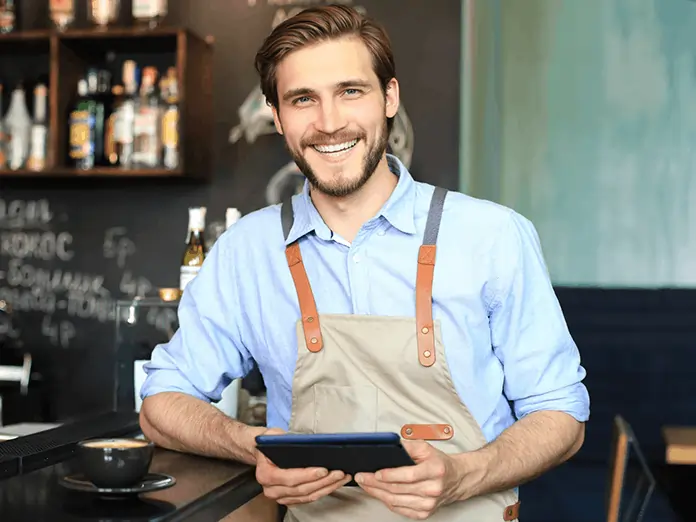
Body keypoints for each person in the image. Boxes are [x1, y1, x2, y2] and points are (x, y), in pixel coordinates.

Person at [139, 4, 590, 521]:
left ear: (389, 98)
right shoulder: (246, 252)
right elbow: (161, 402)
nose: (330, 124)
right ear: (276, 115)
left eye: (350, 91)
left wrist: (465, 474)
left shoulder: (493, 236)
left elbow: (562, 415)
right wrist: (251, 444)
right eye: (303, 99)